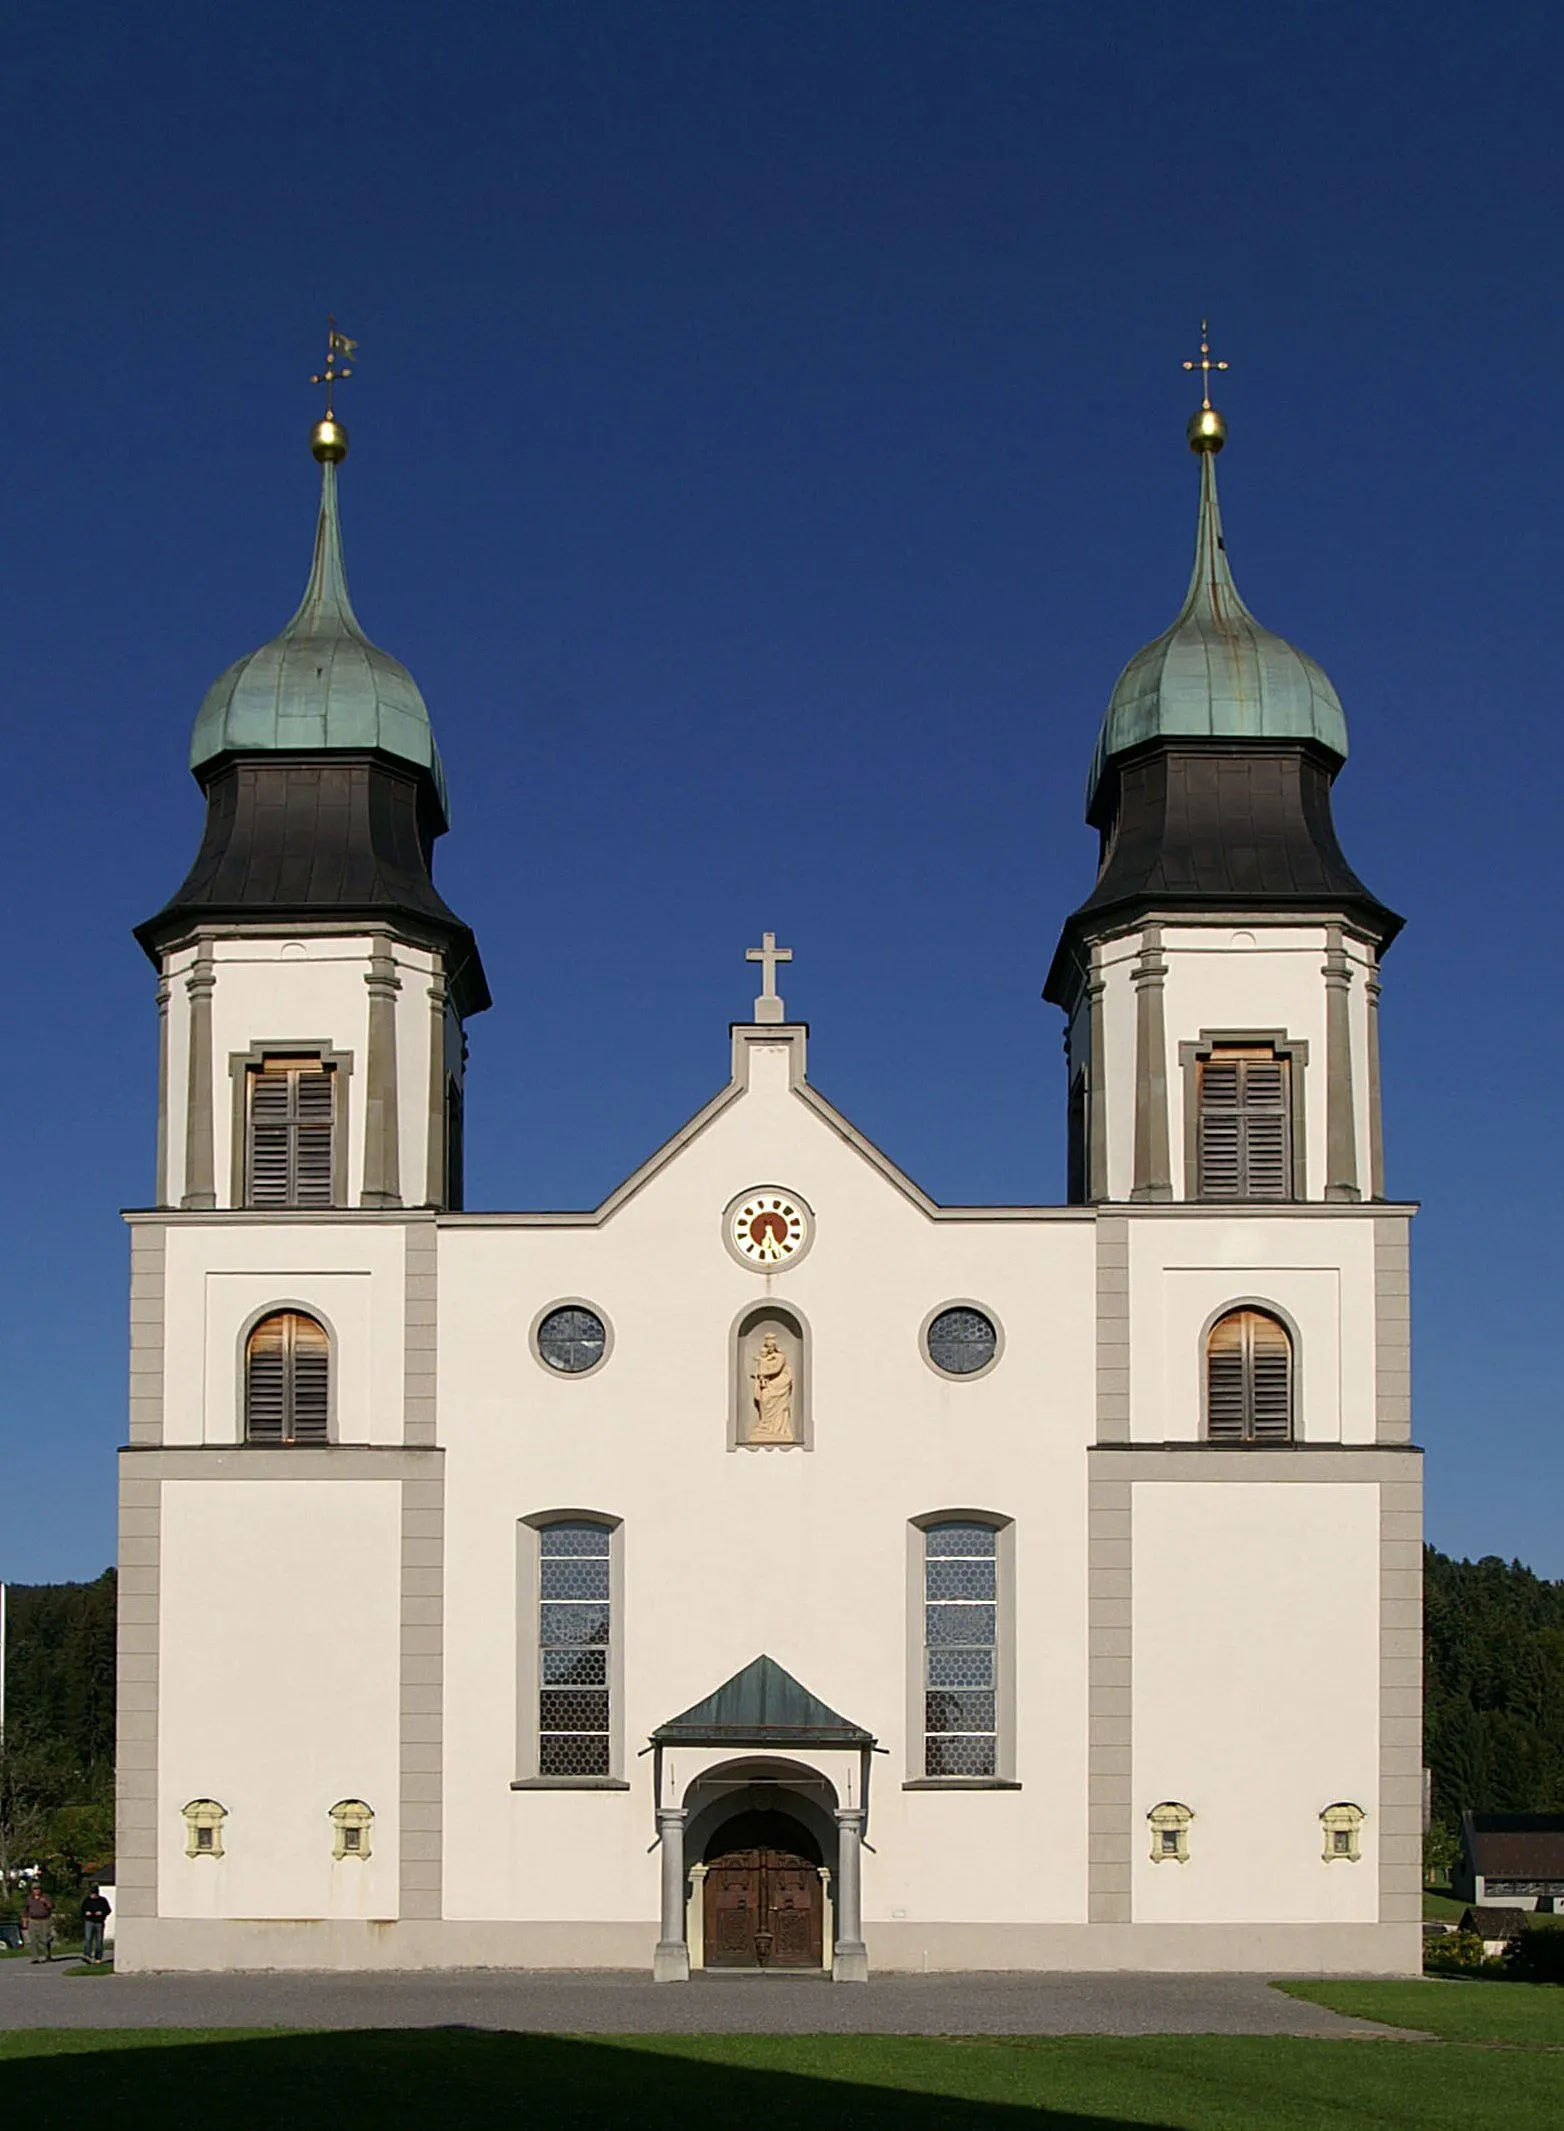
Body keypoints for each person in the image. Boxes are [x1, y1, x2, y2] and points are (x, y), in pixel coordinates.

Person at [80, 1884, 111, 1964]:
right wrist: (86, 1913)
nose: (93, 1895)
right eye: (92, 1894)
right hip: (89, 1921)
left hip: (99, 1922)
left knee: (99, 1940)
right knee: (88, 1938)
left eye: (95, 1894)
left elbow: (108, 1910)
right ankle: (87, 1955)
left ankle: (98, 1957)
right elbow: (82, 1910)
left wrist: (101, 1913)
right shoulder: (87, 1900)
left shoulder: (102, 1900)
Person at [23, 1883, 54, 1963]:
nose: (36, 1890)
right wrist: (25, 1921)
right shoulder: (29, 1898)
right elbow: (26, 1910)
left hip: (44, 1920)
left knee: (45, 1939)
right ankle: (34, 1958)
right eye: (34, 1889)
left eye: (38, 1889)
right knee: (33, 1939)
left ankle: (47, 1955)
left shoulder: (45, 1896)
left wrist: (46, 1902)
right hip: (33, 1920)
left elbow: (51, 1906)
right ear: (32, 1890)